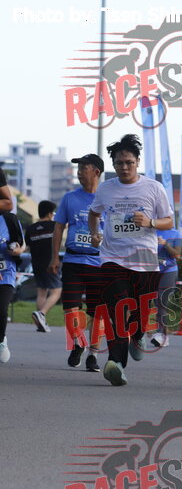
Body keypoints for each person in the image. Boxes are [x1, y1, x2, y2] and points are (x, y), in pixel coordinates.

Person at [88, 134, 174, 386]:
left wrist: (151, 222)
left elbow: (169, 221)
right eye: (119, 163)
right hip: (112, 259)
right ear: (113, 164)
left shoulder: (153, 188)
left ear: (137, 162)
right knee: (117, 310)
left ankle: (138, 335)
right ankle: (116, 363)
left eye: (129, 163)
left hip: (145, 261)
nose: (124, 167)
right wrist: (94, 233)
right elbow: (94, 213)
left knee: (139, 313)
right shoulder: (106, 188)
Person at [51, 153, 105, 371]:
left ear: (96, 172)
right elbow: (58, 227)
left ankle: (93, 355)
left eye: (84, 168)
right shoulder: (69, 198)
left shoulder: (107, 198)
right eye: (78, 168)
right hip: (73, 260)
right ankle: (78, 342)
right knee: (70, 307)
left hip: (99, 263)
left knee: (98, 312)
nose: (79, 172)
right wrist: (55, 257)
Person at [26, 200, 62, 333]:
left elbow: (27, 246)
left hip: (36, 264)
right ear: (49, 213)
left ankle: (40, 322)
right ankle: (42, 313)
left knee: (42, 292)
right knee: (56, 291)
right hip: (51, 263)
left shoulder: (30, 228)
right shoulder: (54, 226)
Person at [150, 226, 182, 348]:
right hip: (151, 269)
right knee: (148, 301)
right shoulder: (149, 230)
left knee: (162, 302)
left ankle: (161, 335)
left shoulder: (175, 233)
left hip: (169, 270)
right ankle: (139, 333)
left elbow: (177, 255)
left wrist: (166, 244)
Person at [0, 212, 25, 364]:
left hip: (6, 272)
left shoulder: (10, 219)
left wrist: (18, 250)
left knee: (1, 309)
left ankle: (1, 340)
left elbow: (22, 244)